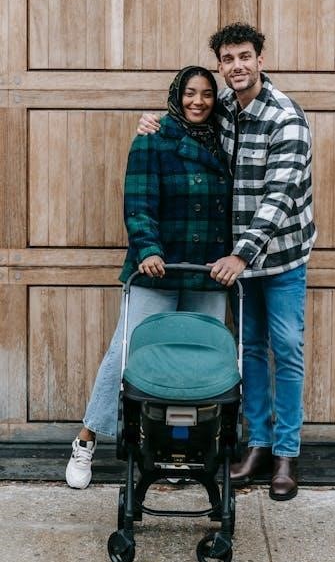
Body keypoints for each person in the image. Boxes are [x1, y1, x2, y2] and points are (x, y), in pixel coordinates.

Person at [137, 23, 317, 501]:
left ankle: (286, 454)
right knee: (249, 349)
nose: (237, 66)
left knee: (287, 348)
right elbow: (187, 121)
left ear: (260, 60)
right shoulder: (225, 110)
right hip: (238, 261)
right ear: (220, 65)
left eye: (244, 56)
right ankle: (256, 447)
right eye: (228, 59)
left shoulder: (286, 118)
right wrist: (153, 124)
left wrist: (241, 254)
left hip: (279, 257)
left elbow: (279, 198)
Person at [65, 66, 232, 489]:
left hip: (207, 270)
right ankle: (87, 437)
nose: (198, 102)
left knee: (196, 361)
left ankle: (177, 449)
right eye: (190, 93)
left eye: (206, 94)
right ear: (177, 95)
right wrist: (149, 249)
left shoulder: (225, 140)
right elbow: (138, 202)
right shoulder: (153, 136)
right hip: (156, 268)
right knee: (125, 352)